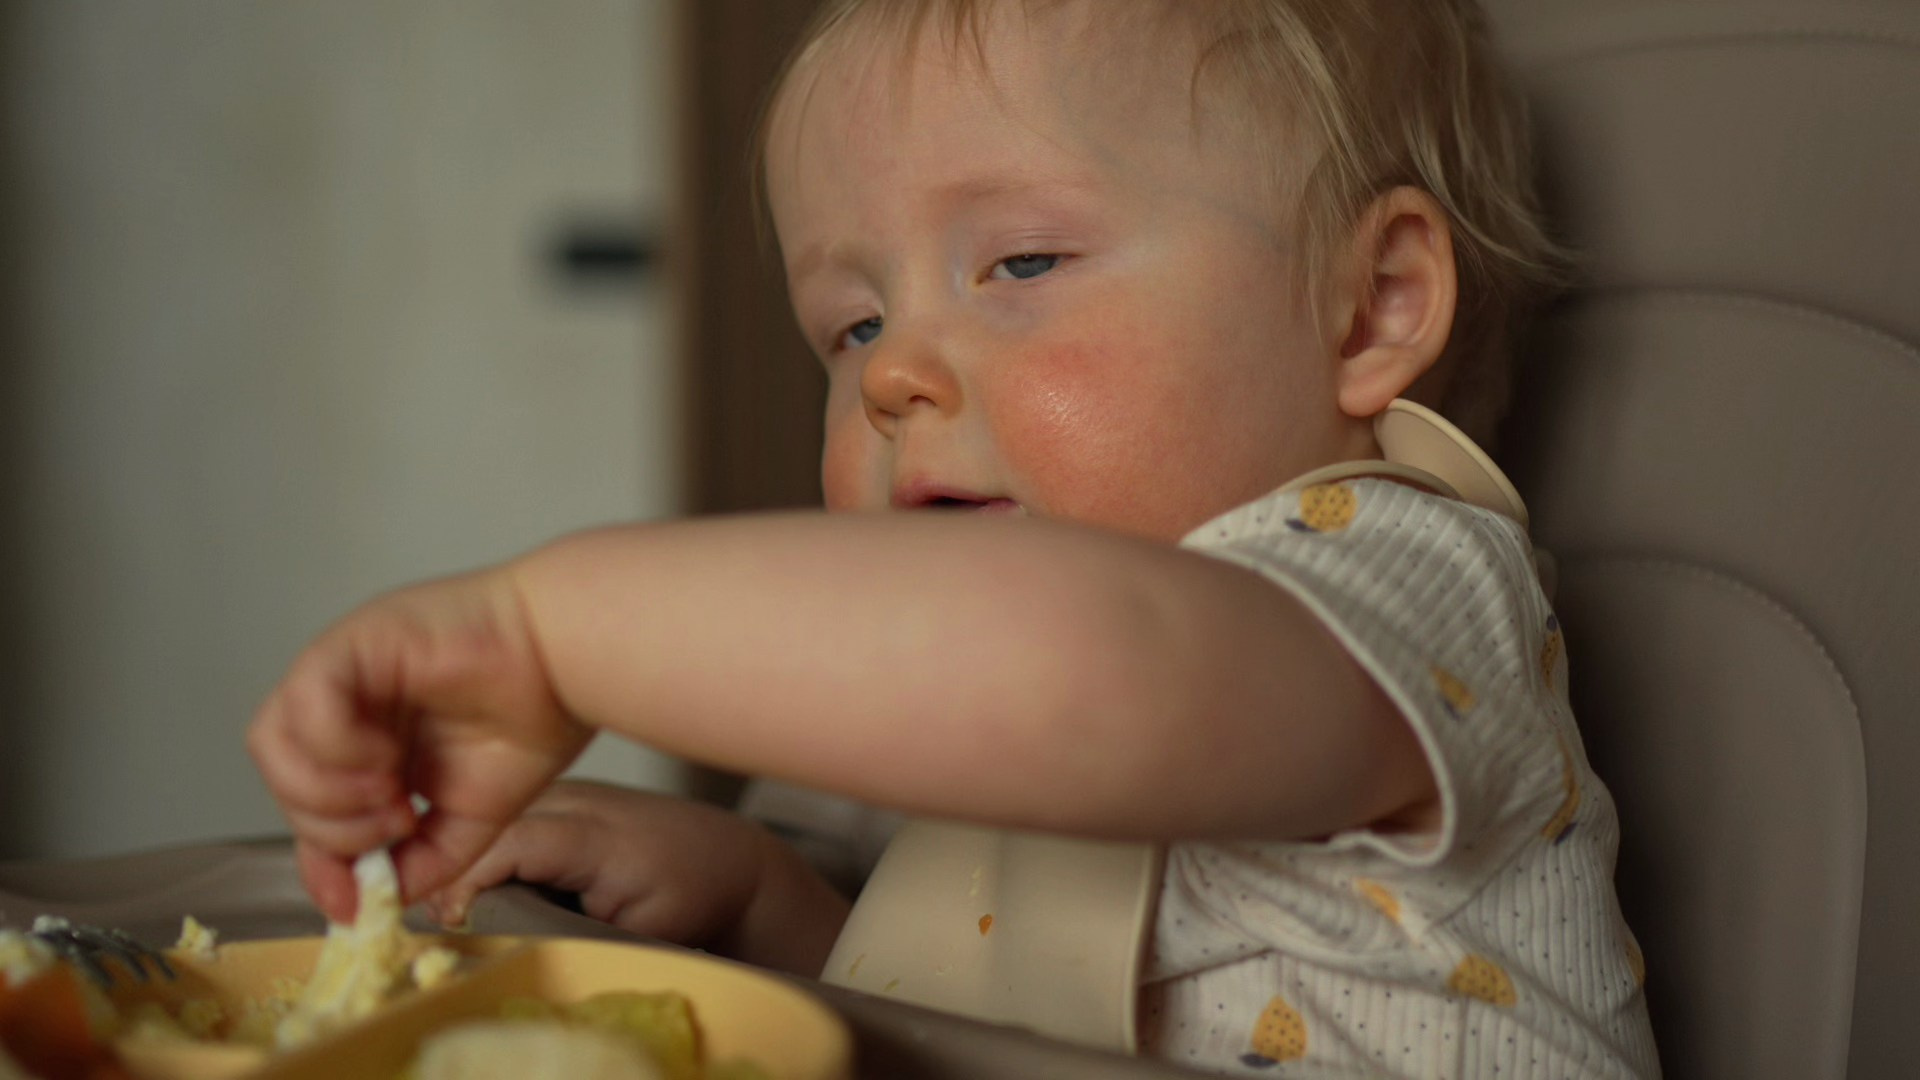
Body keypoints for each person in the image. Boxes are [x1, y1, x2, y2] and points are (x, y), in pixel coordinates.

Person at [248, 0, 1659, 1073]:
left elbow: (1089, 678)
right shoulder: (1016, 722)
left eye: (1024, 264)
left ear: (1374, 305)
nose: (890, 373)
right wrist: (774, 907)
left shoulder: (1398, 576)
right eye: (852, 321)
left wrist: (556, 630)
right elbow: (1026, 1009)